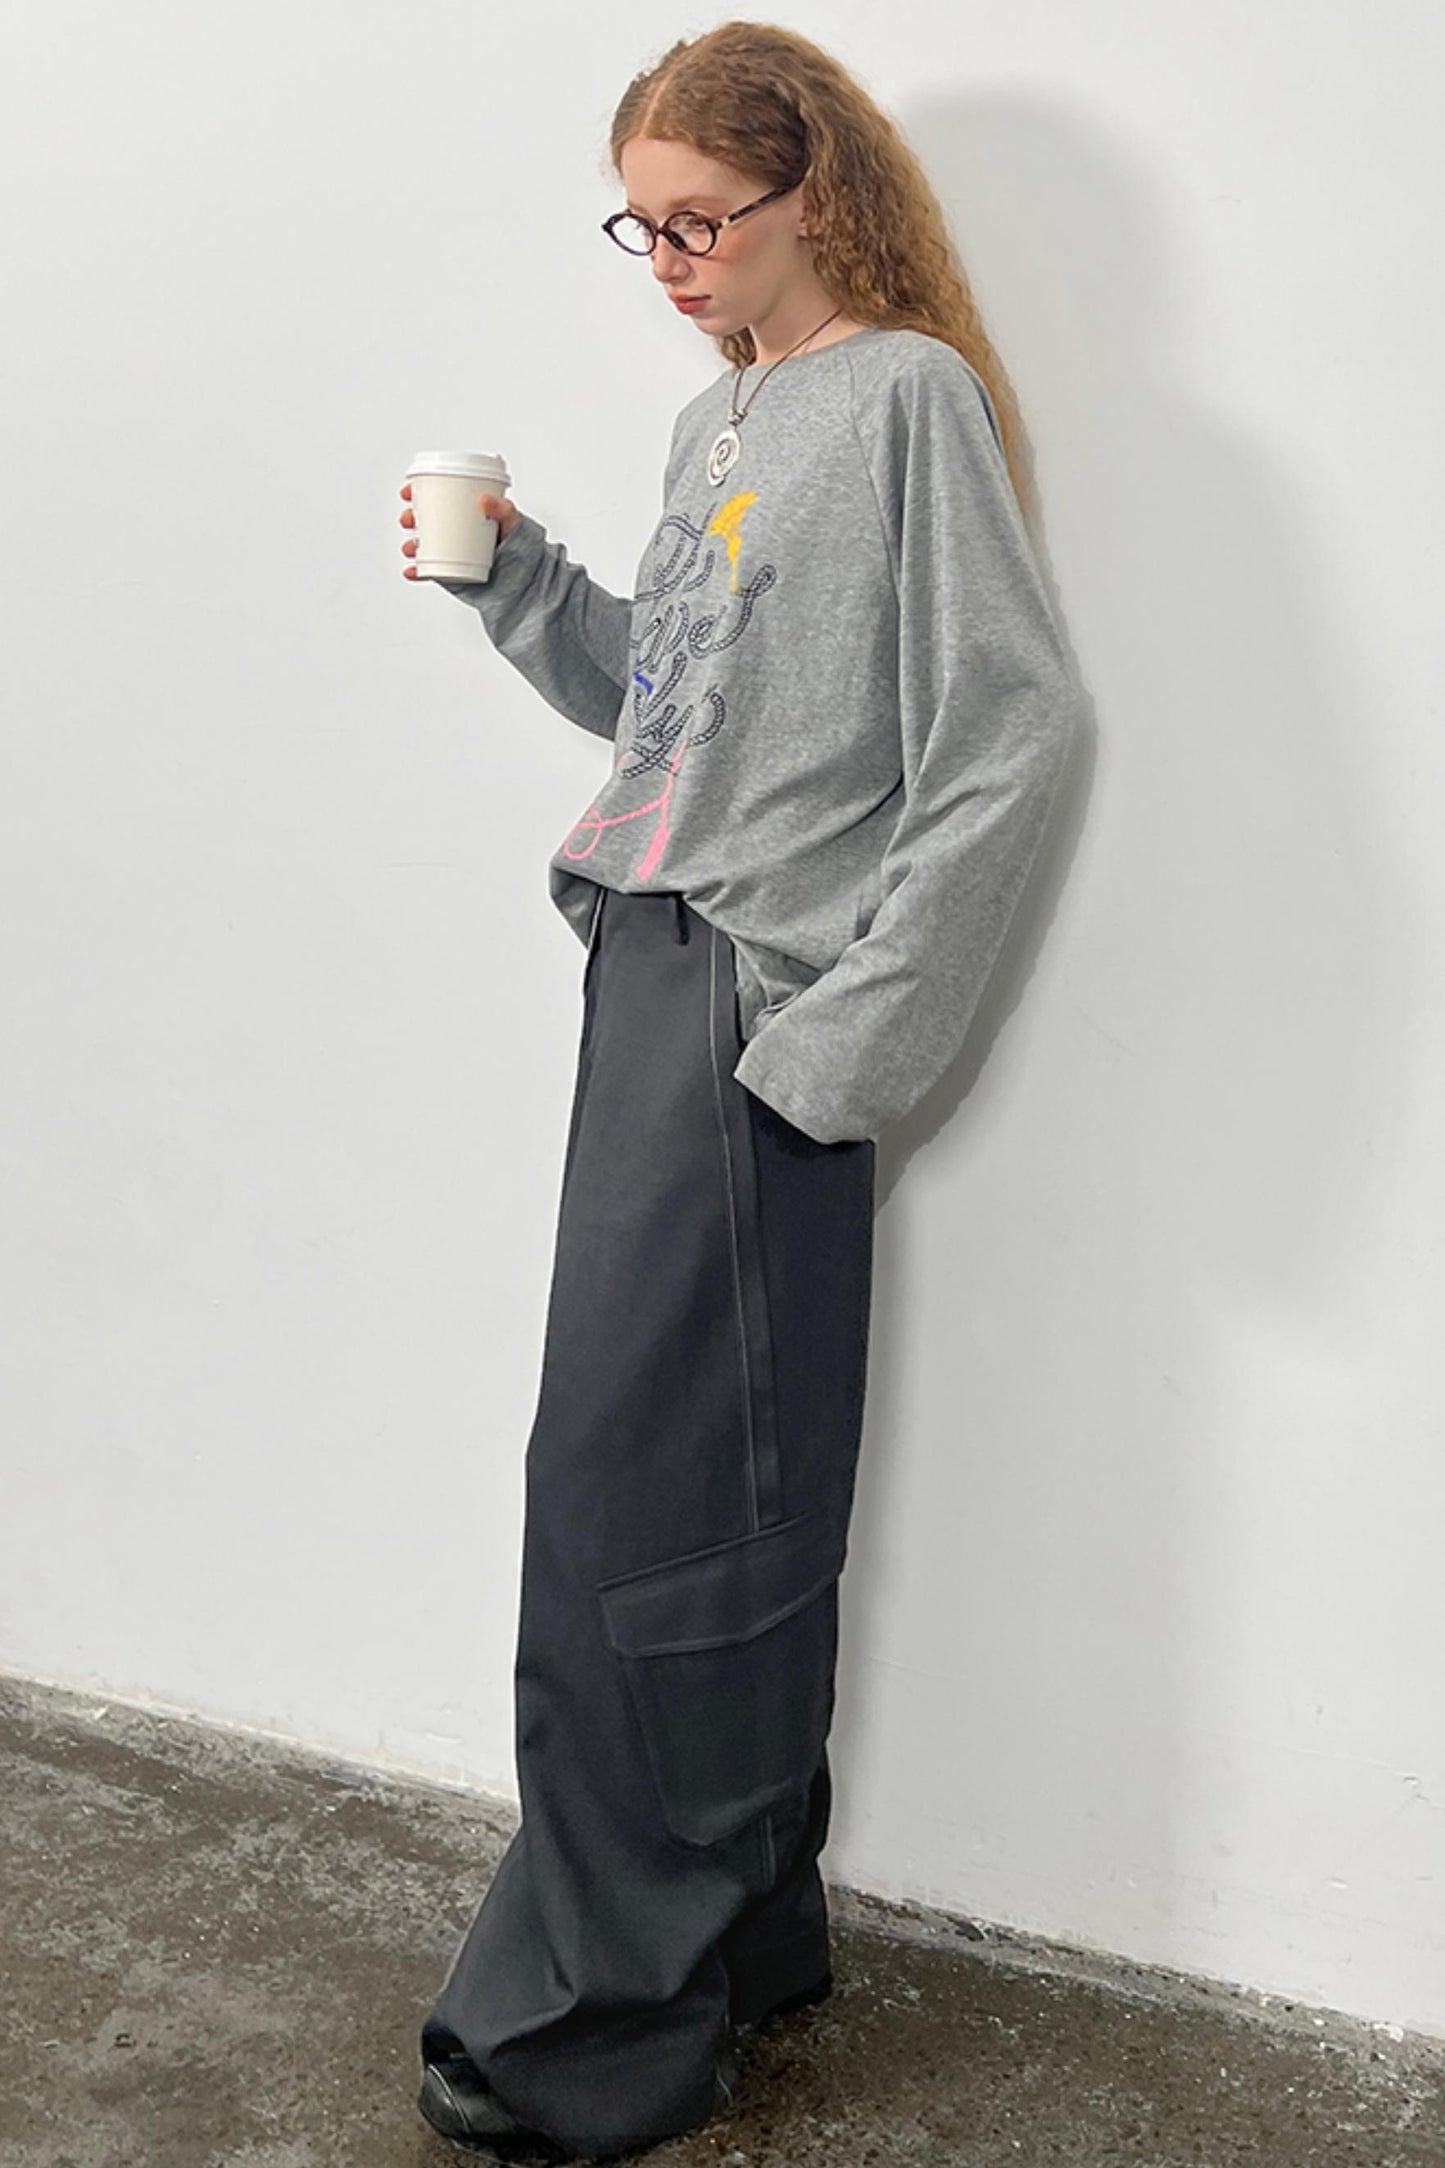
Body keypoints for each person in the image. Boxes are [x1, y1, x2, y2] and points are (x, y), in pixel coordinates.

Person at [398, 20, 1081, 2161]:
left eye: (704, 218)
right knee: (693, 1492)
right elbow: (677, 720)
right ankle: (742, 1938)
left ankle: (599, 2016)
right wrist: (517, 585)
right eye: (646, 228)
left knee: (649, 1507)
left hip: (749, 1008)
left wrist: (842, 1045)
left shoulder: (905, 397)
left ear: (819, 193)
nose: (674, 259)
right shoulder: (722, 420)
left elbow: (1010, 730)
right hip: (649, 969)